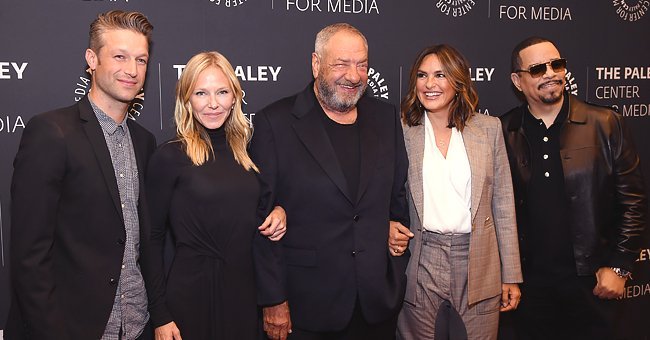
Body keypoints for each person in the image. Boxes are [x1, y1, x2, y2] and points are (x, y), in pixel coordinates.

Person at [249, 23, 410, 340]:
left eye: (362, 64)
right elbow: (261, 221)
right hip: (305, 308)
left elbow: (396, 198)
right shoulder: (275, 123)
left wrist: (393, 231)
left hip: (376, 305)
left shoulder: (385, 117)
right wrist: (273, 300)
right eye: (342, 63)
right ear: (315, 63)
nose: (354, 75)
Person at [7, 10, 156, 340]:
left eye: (141, 60)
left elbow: (144, 241)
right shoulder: (51, 132)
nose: (132, 70)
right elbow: (29, 255)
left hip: (136, 324)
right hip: (73, 328)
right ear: (92, 59)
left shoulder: (144, 142)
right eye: (119, 56)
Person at [500, 36, 647, 339]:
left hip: (592, 284)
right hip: (529, 291)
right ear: (518, 80)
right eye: (538, 68)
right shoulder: (504, 131)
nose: (551, 73)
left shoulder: (606, 123)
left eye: (557, 64)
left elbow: (634, 202)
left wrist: (619, 267)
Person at [144, 51, 287, 340]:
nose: (212, 103)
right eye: (201, 93)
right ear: (186, 99)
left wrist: (279, 211)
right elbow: (151, 239)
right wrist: (160, 314)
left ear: (235, 97)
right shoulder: (170, 156)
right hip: (189, 296)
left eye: (222, 92)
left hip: (244, 293)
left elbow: (259, 207)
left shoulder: (248, 153)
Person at [392, 44, 522, 340]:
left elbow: (503, 203)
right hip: (422, 258)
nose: (429, 84)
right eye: (422, 76)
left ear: (458, 81)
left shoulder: (489, 129)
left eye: (440, 75)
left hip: (478, 259)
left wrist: (511, 274)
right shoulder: (401, 130)